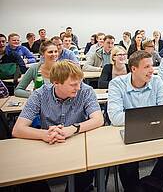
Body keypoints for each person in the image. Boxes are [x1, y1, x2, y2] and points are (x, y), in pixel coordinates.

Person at [12, 60, 104, 192]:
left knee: (85, 173)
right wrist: (44, 134)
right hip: (48, 145)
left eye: (79, 82)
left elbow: (98, 119)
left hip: (77, 145)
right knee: (27, 178)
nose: (78, 88)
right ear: (55, 83)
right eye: (73, 85)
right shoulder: (40, 94)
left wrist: (71, 129)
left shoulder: (85, 91)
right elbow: (18, 129)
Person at [107, 51, 163, 192]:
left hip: (153, 131)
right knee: (128, 163)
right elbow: (115, 117)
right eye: (146, 67)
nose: (152, 70)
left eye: (152, 65)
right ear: (133, 69)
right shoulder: (116, 84)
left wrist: (139, 118)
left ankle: (147, 186)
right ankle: (139, 188)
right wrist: (151, 117)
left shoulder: (156, 81)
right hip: (127, 134)